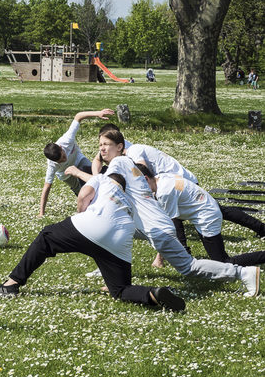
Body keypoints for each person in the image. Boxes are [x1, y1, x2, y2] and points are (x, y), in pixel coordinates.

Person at [93, 126, 259, 297]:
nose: (102, 149)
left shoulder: (130, 166)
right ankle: (114, 278)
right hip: (182, 212)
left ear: (119, 146)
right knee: (119, 231)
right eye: (100, 145)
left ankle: (247, 269)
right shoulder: (141, 169)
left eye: (106, 144)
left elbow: (171, 223)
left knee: (206, 264)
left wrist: (164, 256)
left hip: (186, 220)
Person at [0, 173, 186, 311]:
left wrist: (81, 217)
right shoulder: (128, 200)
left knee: (47, 237)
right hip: (122, 237)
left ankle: (11, 284)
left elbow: (84, 195)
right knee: (120, 289)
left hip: (93, 224)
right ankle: (153, 294)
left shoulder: (103, 179)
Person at [138, 164, 265, 266]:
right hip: (205, 207)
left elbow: (172, 225)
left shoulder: (164, 192)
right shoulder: (162, 177)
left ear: (145, 178)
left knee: (223, 263)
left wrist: (169, 256)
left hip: (207, 217)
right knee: (219, 258)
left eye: (139, 187)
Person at [38, 108, 114, 217]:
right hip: (66, 174)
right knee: (82, 192)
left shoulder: (67, 140)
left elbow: (78, 116)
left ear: (60, 147)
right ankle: (90, 207)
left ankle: (106, 199)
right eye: (61, 161)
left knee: (94, 176)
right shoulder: (52, 165)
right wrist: (41, 213)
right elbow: (47, 187)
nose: (65, 160)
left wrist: (98, 113)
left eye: (63, 156)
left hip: (79, 160)